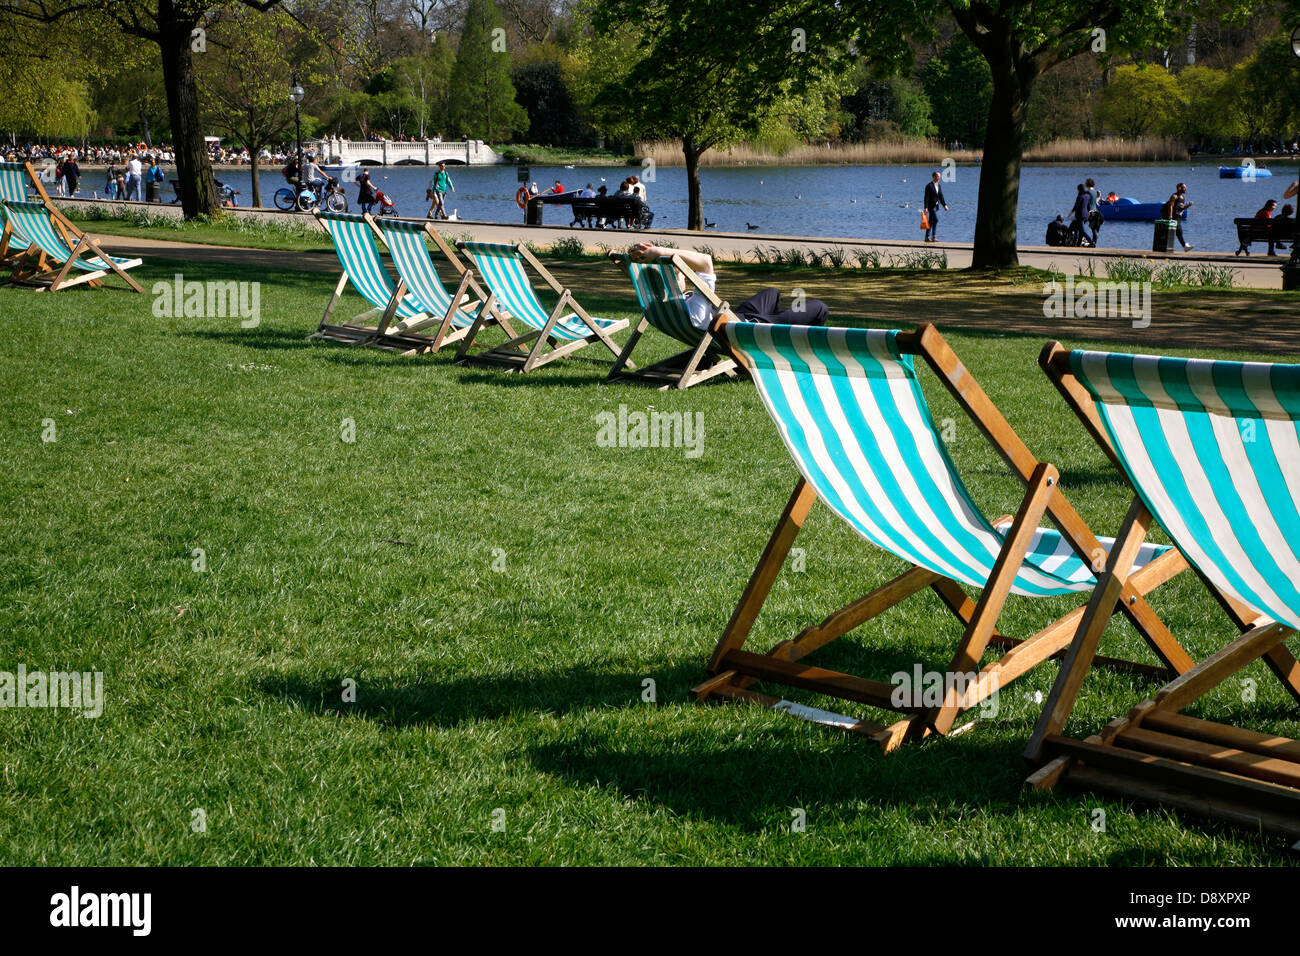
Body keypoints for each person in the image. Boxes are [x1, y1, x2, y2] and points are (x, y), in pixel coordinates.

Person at [627, 242, 828, 330]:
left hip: (735, 316)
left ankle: (775, 335)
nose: (680, 274)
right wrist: (661, 250)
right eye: (677, 275)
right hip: (744, 327)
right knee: (819, 307)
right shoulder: (693, 309)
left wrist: (649, 252)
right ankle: (775, 338)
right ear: (669, 286)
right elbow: (706, 262)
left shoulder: (661, 306)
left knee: (772, 293)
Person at [1162, 182, 1194, 251]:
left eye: (1185, 187)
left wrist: (1188, 205)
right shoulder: (1174, 196)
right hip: (1173, 216)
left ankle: (1184, 246)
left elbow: (1182, 207)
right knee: (1179, 231)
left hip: (1178, 217)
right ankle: (1185, 246)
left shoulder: (1183, 197)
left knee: (1178, 232)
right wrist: (1170, 217)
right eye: (1184, 187)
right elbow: (1170, 206)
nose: (1185, 189)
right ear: (1179, 188)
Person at [923, 170, 948, 242]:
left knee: (931, 222)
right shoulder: (929, 186)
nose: (939, 178)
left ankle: (927, 237)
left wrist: (944, 205)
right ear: (933, 177)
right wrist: (926, 207)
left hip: (936, 206)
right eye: (937, 176)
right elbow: (926, 197)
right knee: (936, 220)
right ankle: (933, 236)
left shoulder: (939, 186)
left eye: (939, 176)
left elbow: (940, 196)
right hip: (930, 206)